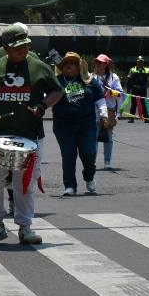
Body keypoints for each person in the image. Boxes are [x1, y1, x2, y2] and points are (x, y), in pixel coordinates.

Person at [0, 22, 63, 247]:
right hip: (0, 136)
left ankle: (25, 227)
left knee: (25, 183)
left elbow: (57, 90)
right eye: (18, 47)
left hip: (31, 136)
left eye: (25, 46)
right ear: (6, 48)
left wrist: (43, 105)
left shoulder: (39, 67)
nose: (23, 50)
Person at [52, 52, 107, 196]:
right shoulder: (56, 81)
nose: (69, 65)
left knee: (89, 153)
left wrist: (104, 115)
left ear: (79, 66)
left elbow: (100, 99)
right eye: (66, 63)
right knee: (68, 155)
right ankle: (70, 186)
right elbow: (46, 98)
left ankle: (89, 177)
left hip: (86, 125)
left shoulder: (89, 81)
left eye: (73, 63)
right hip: (63, 126)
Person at [92, 54, 121, 169]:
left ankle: (107, 162)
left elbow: (119, 93)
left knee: (108, 137)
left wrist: (111, 91)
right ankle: (92, 162)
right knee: (93, 137)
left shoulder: (113, 77)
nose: (98, 64)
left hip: (109, 110)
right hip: (94, 110)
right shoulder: (91, 77)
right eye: (97, 62)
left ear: (106, 64)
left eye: (101, 62)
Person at [125, 56, 149, 122]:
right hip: (135, 89)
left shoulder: (147, 69)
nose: (140, 62)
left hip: (143, 89)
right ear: (137, 62)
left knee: (143, 104)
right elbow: (129, 79)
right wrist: (129, 89)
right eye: (139, 61)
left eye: (141, 61)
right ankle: (131, 118)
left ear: (143, 62)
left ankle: (146, 119)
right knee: (134, 104)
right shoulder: (132, 69)